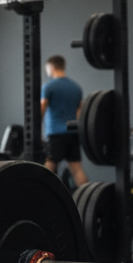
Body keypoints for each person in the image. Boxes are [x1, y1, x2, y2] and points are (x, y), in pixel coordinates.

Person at [40, 55, 87, 187]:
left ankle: (39, 200)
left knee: (49, 167)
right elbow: (80, 113)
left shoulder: (48, 86)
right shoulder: (76, 87)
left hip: (55, 134)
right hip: (73, 133)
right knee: (77, 169)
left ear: (51, 67)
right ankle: (88, 198)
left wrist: (37, 132)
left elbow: (42, 108)